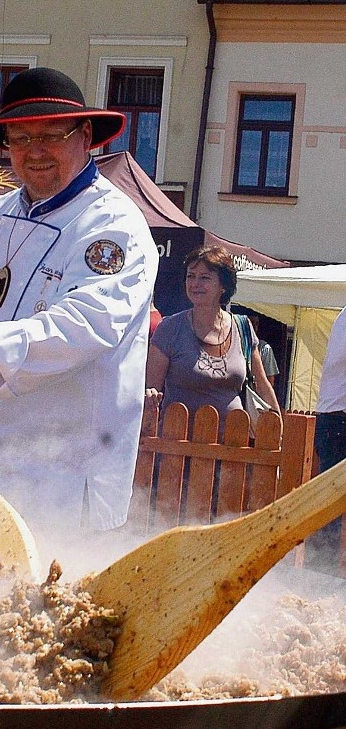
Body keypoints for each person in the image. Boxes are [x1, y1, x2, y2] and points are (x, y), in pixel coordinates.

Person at [0, 66, 158, 533]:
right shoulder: (1, 211)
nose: (34, 152)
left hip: (61, 470)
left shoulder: (113, 224)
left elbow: (88, 324)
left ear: (86, 136)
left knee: (49, 597)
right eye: (19, 139)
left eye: (50, 136)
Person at [146, 246, 280, 432]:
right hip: (175, 446)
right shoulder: (169, 329)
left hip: (233, 445)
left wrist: (278, 431)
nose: (195, 283)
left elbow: (263, 384)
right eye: (190, 276)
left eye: (204, 277)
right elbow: (151, 389)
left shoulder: (243, 328)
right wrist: (149, 396)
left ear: (223, 286)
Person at [305, 306, 346, 574]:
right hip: (340, 421)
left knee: (329, 508)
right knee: (329, 509)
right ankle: (317, 584)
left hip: (336, 420)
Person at [248, 313, 279, 387]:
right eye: (251, 323)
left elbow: (270, 380)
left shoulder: (264, 348)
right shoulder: (234, 344)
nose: (254, 327)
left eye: (257, 324)